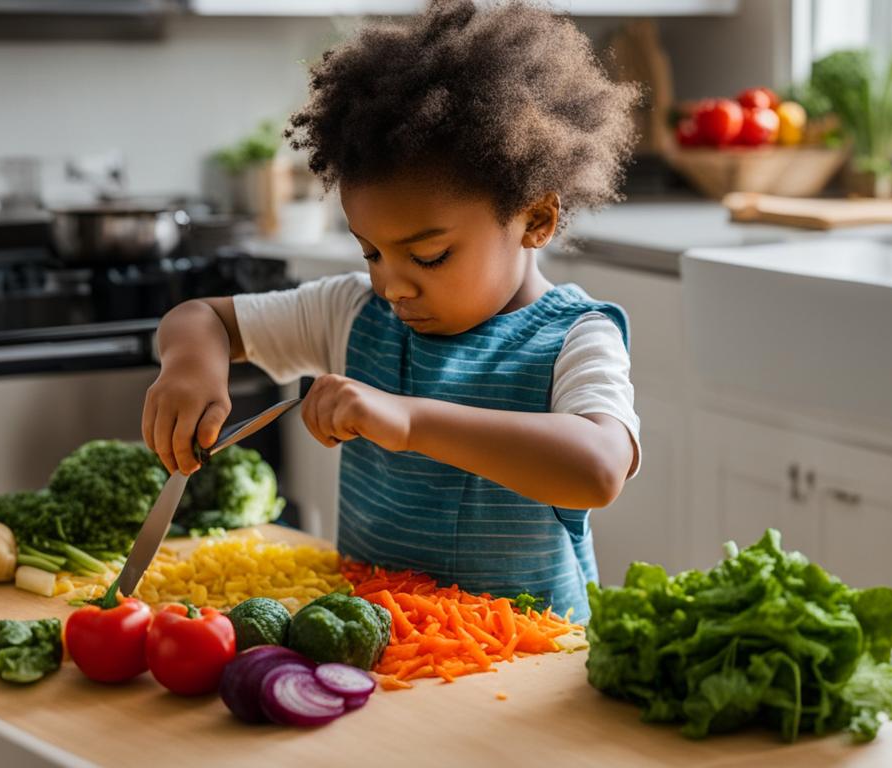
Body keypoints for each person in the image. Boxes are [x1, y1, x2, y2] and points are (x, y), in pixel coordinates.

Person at [143, 0, 641, 621]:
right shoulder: (353, 313)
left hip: (530, 663)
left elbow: (597, 468)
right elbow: (203, 319)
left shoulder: (576, 338)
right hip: (378, 648)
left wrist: (408, 423)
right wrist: (190, 365)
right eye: (371, 252)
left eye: (428, 257)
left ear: (534, 219)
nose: (391, 287)